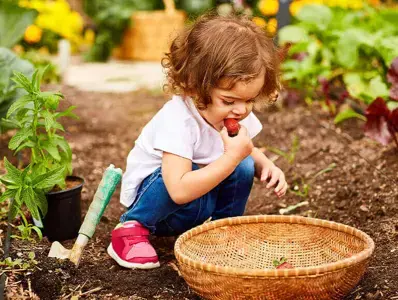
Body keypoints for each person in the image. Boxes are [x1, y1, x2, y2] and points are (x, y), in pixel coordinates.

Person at [107, 13, 288, 269]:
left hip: (198, 201)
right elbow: (178, 190)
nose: (242, 110)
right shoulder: (177, 121)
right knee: (212, 164)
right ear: (194, 86)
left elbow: (243, 150)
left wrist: (265, 164)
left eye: (249, 100)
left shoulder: (234, 113)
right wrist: (233, 157)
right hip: (164, 210)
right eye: (229, 101)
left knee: (245, 163)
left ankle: (224, 232)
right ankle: (131, 230)